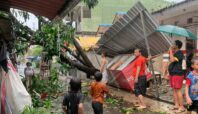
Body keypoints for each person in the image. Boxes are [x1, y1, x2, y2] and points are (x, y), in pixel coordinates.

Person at [168, 40, 185, 113]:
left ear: (177, 46)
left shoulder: (179, 54)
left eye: (173, 44)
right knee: (174, 89)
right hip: (173, 73)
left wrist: (170, 51)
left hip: (178, 74)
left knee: (178, 90)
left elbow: (171, 60)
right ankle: (176, 105)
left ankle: (182, 107)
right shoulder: (176, 53)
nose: (172, 45)